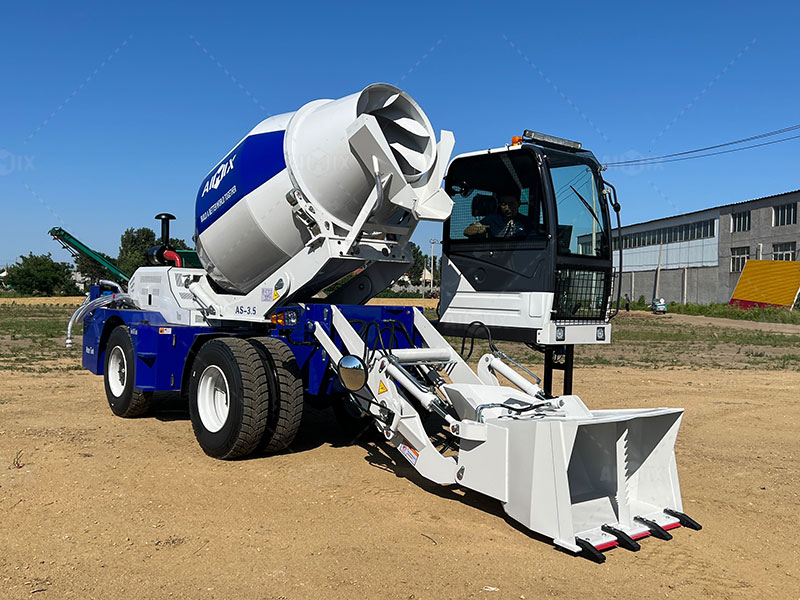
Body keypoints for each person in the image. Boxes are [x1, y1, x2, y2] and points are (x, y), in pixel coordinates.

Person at [464, 194, 535, 239]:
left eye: (511, 204)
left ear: (518, 203)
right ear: (499, 205)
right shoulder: (492, 219)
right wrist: (481, 230)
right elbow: (467, 231)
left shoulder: (527, 222)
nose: (507, 208)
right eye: (503, 204)